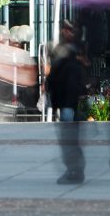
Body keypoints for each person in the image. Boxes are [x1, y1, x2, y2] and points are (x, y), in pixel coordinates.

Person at [46, 20, 88, 184]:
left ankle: (74, 170)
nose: (66, 32)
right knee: (68, 138)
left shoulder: (74, 52)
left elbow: (70, 78)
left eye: (70, 30)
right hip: (64, 100)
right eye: (65, 29)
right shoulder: (61, 49)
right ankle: (74, 169)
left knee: (69, 138)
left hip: (69, 102)